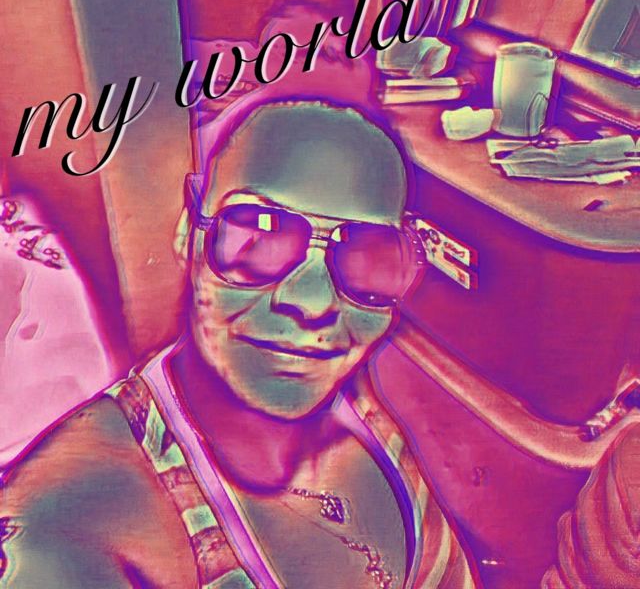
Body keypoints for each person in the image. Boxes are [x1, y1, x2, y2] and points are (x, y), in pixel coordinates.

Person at [0, 101, 477, 588]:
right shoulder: (61, 530)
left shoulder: (359, 412)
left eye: (366, 254)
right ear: (190, 231)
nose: (314, 302)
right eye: (258, 235)